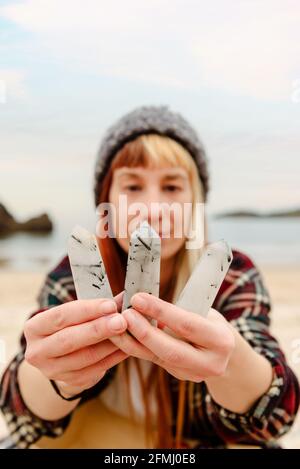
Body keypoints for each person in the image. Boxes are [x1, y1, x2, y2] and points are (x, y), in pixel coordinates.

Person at [0, 106, 299, 449]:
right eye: (133, 186)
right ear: (106, 203)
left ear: (196, 202)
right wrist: (58, 380)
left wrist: (232, 363)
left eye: (172, 187)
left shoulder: (231, 276)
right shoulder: (75, 275)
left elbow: (275, 419)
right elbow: (23, 419)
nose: (154, 209)